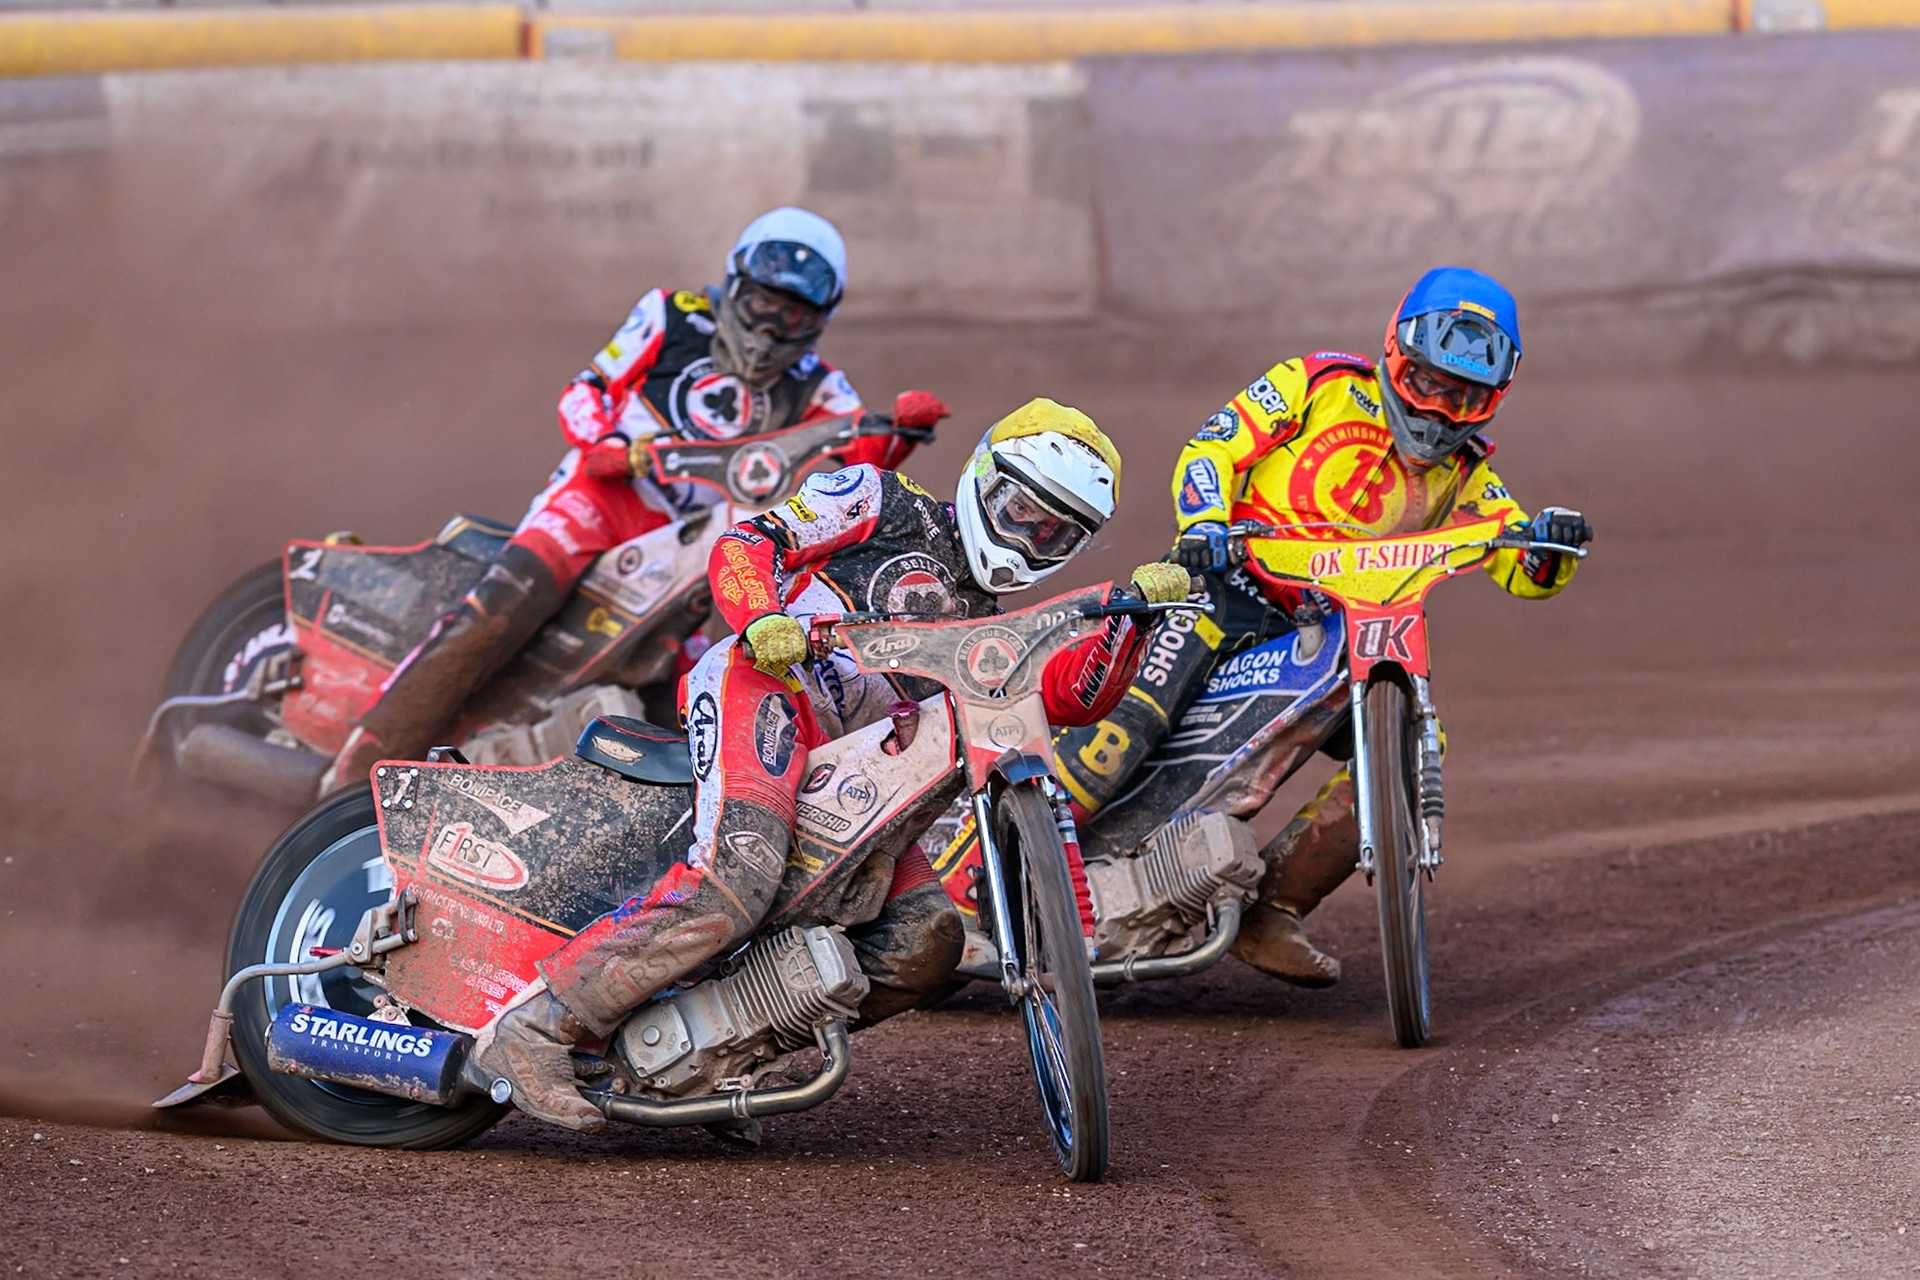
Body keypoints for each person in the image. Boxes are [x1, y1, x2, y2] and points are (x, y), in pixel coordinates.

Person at [477, 398, 1193, 1130]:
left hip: (865, 767)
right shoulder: (877, 497)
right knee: (736, 881)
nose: (1025, 539)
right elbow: (751, 540)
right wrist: (762, 617)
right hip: (770, 691)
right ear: (983, 476)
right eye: (1017, 510)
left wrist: (1135, 624)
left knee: (927, 944)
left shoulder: (998, 617)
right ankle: (532, 1030)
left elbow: (1070, 697)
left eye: (1054, 533)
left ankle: (721, 1064)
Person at [1053, 267, 1593, 988]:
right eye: (1426, 383)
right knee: (1129, 722)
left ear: (1493, 401)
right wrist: (1206, 524)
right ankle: (1012, 850)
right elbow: (1211, 448)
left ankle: (1274, 908)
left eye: (1462, 396)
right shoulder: (1315, 385)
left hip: (1353, 633)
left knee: (1410, 748)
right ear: (1395, 355)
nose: (1437, 411)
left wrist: (1553, 548)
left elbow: (1523, 570)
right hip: (1230, 585)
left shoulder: (1467, 475)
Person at [319, 207, 951, 794]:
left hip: (688, 539)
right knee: (504, 605)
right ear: (733, 284)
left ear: (818, 320)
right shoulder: (671, 314)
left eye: (790, 316)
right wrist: (606, 444)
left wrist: (896, 439)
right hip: (603, 498)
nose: (767, 327)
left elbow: (841, 478)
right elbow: (586, 389)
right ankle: (356, 762)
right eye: (761, 302)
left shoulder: (822, 385)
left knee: (690, 683)